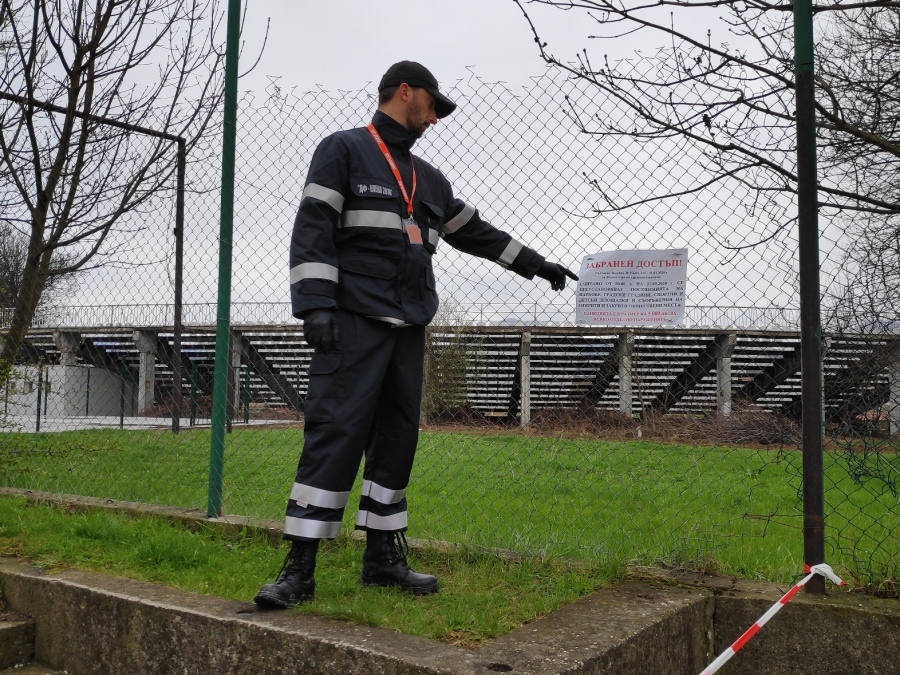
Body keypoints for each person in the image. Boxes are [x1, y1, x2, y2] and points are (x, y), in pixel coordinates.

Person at [254, 61, 577, 608]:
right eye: (432, 105)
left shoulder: (429, 178)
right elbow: (312, 229)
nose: (435, 118)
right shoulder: (343, 150)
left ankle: (382, 557)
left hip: (408, 329)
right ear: (405, 92)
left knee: (397, 442)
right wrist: (315, 307)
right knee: (335, 435)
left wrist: (535, 263)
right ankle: (299, 568)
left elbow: (472, 231)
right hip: (352, 322)